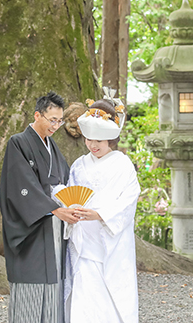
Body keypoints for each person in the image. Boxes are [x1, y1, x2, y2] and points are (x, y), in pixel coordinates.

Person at [0, 91, 79, 323]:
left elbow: (64, 181)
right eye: (52, 120)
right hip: (32, 227)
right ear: (37, 115)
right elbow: (21, 185)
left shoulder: (52, 147)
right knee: (30, 289)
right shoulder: (19, 142)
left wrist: (68, 204)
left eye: (59, 121)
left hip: (54, 226)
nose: (56, 125)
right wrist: (54, 208)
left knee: (54, 284)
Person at [62, 96, 141, 323]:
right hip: (84, 241)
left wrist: (100, 214)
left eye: (99, 140)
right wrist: (72, 211)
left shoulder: (122, 164)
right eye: (89, 139)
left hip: (110, 240)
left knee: (111, 300)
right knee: (85, 298)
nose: (93, 145)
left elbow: (128, 199)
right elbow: (71, 193)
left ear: (111, 140)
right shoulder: (79, 165)